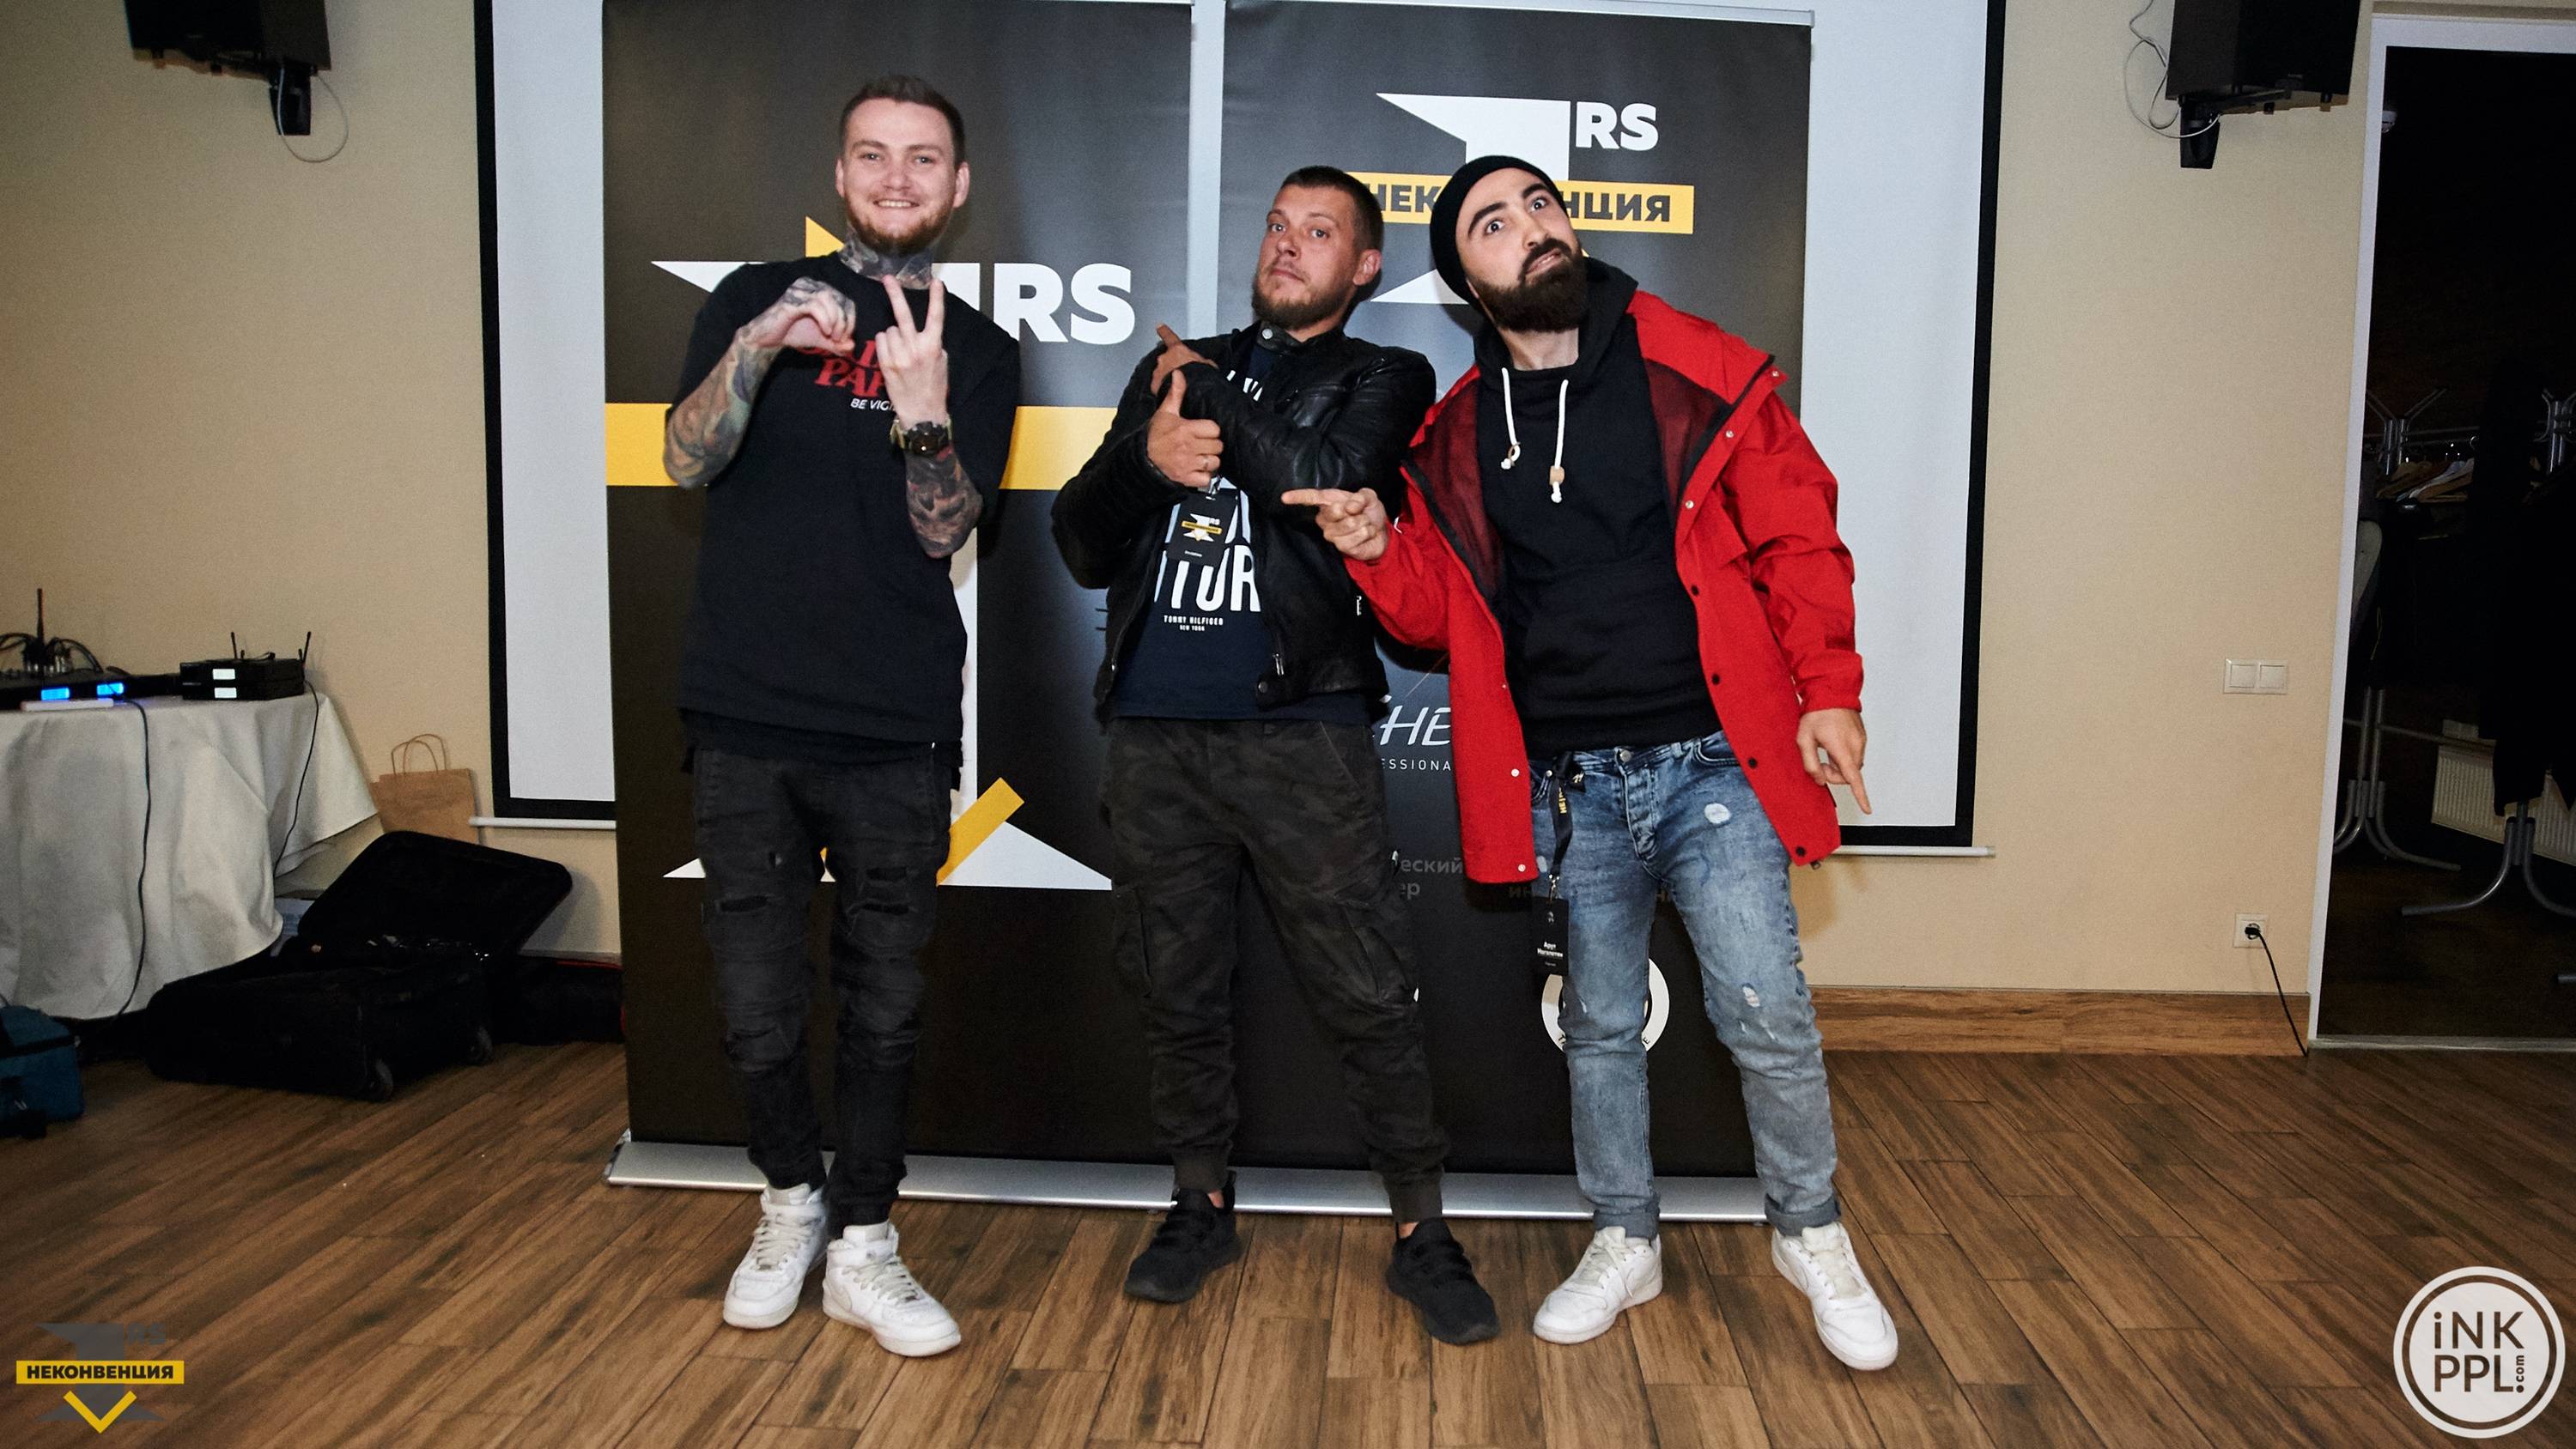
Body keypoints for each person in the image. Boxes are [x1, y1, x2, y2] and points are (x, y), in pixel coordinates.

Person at [1288, 155, 1899, 1368]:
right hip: (1573, 784)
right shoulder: (1456, 435)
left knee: (1765, 1013)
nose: (1535, 229)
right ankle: (1626, 1237)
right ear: (1467, 279)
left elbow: (1797, 531)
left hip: (1714, 761)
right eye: (1495, 222)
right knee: (1603, 1026)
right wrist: (1374, 547)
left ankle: (1811, 1235)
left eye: (1543, 205)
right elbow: (1434, 618)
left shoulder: (1696, 367)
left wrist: (1830, 687)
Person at [1051, 167, 1498, 1345]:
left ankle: (1423, 1231)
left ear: (1364, 267)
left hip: (1303, 731)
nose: (1288, 245)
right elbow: (1079, 541)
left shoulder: (1383, 373)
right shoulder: (1173, 366)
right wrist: (1147, 459)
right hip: (1155, 732)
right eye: (1277, 226)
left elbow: (1326, 480)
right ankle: (1198, 1206)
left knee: (1368, 988)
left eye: (1321, 231)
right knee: (1176, 984)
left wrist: (1203, 394)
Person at [660, 75, 1018, 1358]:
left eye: (923, 159)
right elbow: (684, 459)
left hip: (891, 725)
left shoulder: (980, 349)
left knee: (885, 1002)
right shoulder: (751, 298)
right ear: (840, 173)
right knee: (756, 1001)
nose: (896, 178)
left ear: (957, 187)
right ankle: (789, 1204)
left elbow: (946, 533)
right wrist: (759, 345)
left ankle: (864, 1239)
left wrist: (922, 418)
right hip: (744, 714)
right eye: (874, 154)